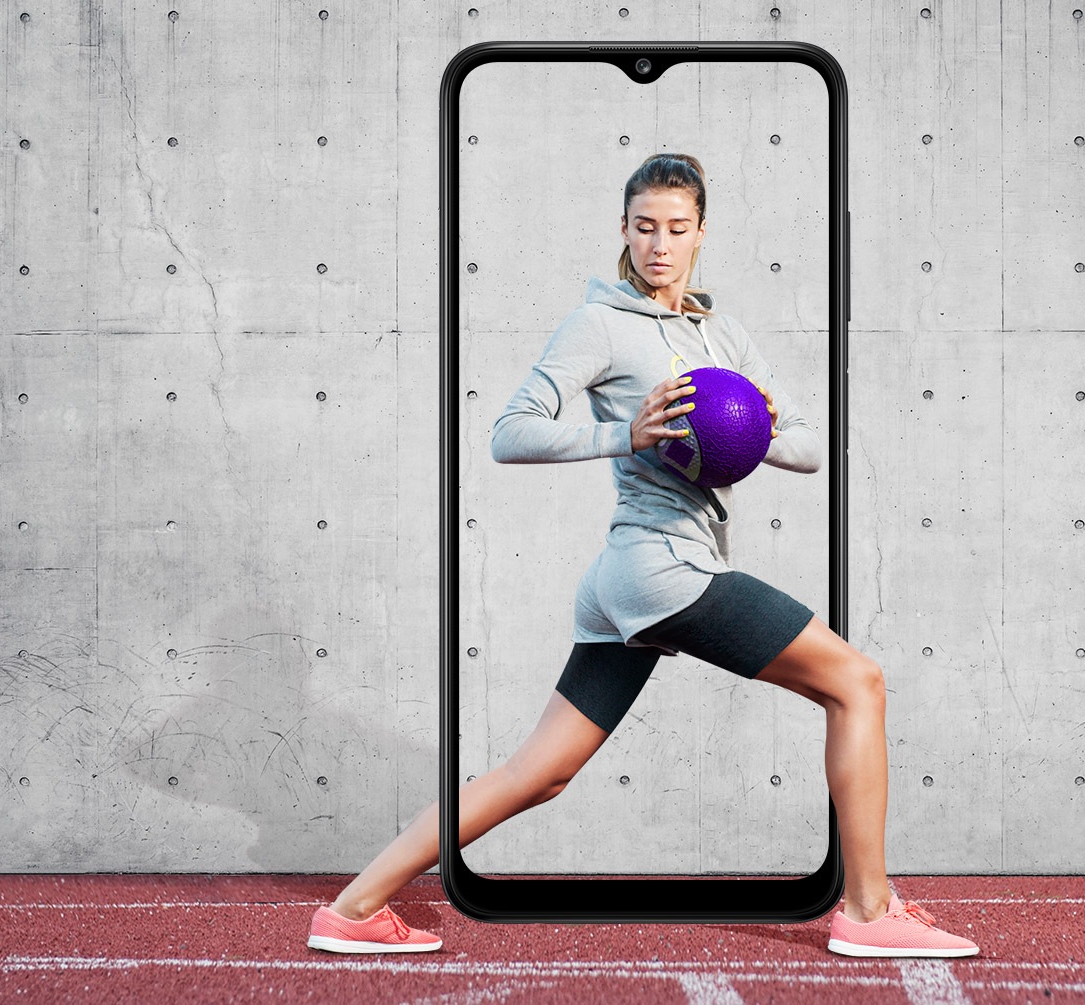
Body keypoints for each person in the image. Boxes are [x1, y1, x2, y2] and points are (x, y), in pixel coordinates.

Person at [306, 153, 979, 959]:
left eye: (677, 228)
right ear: (623, 230)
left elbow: (805, 449)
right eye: (644, 226)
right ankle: (870, 911)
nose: (660, 244)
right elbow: (509, 432)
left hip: (628, 580)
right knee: (857, 681)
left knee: (541, 772)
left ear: (701, 234)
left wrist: (748, 426)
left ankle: (352, 907)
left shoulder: (722, 333)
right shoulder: (599, 325)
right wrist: (619, 434)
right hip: (663, 571)